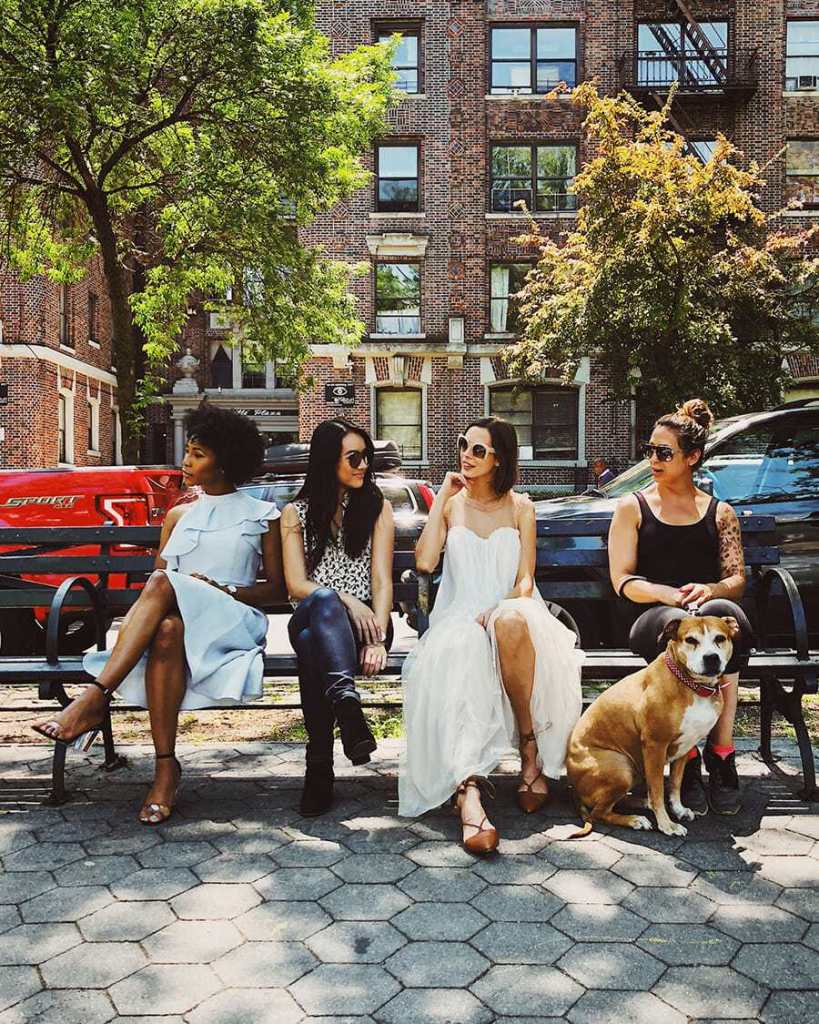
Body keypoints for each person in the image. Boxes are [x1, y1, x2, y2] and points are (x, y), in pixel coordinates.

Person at [32, 402, 284, 824]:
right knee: (166, 628)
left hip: (232, 621)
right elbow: (160, 593)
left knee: (163, 583)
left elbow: (277, 590)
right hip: (181, 623)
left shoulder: (263, 515)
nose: (185, 461)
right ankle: (165, 769)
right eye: (188, 451)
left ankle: (96, 696)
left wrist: (222, 589)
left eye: (198, 454)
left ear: (225, 464)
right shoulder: (178, 515)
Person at [399, 417, 583, 854]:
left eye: (478, 450)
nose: (466, 454)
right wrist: (444, 493)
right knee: (463, 647)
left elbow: (525, 579)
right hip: (458, 616)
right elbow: (424, 563)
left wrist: (500, 606)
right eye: (464, 445)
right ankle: (469, 790)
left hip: (510, 607)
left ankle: (529, 750)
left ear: (499, 458)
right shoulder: (452, 505)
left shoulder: (521, 507)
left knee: (511, 621)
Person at [608, 398, 751, 816]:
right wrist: (666, 594)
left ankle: (720, 753)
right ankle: (683, 758)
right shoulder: (631, 507)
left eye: (664, 452)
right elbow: (622, 580)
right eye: (650, 450)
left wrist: (710, 588)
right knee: (677, 625)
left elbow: (736, 578)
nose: (653, 459)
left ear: (692, 457)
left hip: (706, 615)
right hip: (650, 613)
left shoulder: (719, 512)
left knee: (732, 621)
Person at [281, 419, 394, 817]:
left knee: (315, 645)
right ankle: (346, 706)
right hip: (315, 612)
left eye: (366, 457)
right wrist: (346, 599)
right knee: (323, 604)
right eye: (354, 458)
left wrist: (377, 636)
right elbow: (297, 585)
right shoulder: (295, 513)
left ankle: (320, 767)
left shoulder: (377, 507)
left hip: (365, 628)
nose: (363, 465)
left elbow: (381, 578)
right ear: (329, 461)